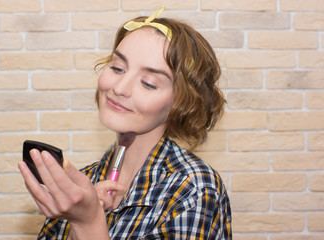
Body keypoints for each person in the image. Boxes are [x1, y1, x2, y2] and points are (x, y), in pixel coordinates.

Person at [18, 7, 232, 240]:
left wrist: (88, 222)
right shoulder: (85, 183)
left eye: (149, 83)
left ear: (181, 103)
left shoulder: (193, 189)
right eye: (117, 68)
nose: (119, 88)